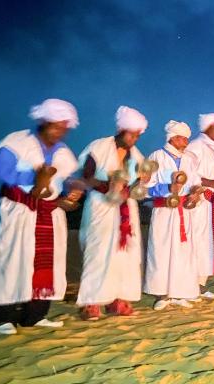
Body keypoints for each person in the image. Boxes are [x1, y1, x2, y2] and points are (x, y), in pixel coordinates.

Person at [0, 98, 81, 335]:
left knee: (49, 262)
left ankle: (35, 316)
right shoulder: (17, 142)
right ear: (44, 121)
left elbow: (69, 179)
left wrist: (74, 191)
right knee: (13, 261)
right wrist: (34, 178)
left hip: (49, 214)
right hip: (20, 210)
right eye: (56, 125)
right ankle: (2, 317)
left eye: (64, 127)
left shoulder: (63, 151)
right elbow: (2, 171)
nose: (60, 131)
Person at [76, 106, 147, 320]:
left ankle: (119, 299)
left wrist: (136, 186)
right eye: (131, 134)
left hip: (127, 207)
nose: (134, 139)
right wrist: (109, 187)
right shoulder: (99, 146)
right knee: (99, 252)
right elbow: (87, 176)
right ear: (121, 130)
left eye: (137, 135)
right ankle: (92, 302)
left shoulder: (136, 155)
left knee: (126, 253)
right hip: (101, 206)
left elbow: (140, 180)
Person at [143, 120, 204, 310]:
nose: (186, 142)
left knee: (184, 253)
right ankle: (162, 294)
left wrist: (195, 192)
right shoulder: (156, 156)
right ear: (172, 138)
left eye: (187, 138)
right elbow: (144, 188)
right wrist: (167, 188)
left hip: (184, 212)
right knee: (161, 252)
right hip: (164, 211)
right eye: (182, 138)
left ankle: (180, 292)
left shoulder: (190, 159)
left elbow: (195, 181)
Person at [186, 113, 214, 300]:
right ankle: (187, 285)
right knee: (195, 242)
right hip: (198, 201)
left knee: (208, 244)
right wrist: (212, 183)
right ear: (206, 127)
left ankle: (200, 285)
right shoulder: (195, 146)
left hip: (213, 202)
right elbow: (188, 173)